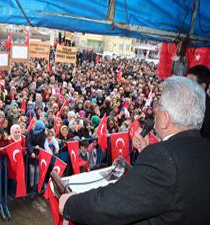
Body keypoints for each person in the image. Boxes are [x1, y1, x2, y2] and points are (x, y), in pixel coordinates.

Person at [59, 76, 210, 225]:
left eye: (158, 105)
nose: (154, 109)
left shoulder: (163, 157)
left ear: (165, 119)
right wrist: (147, 151)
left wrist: (70, 204)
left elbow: (112, 205)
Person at [187, 65, 210, 139]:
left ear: (202, 86)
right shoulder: (185, 101)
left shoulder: (207, 109)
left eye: (190, 83)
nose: (186, 86)